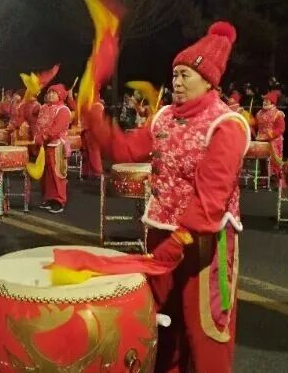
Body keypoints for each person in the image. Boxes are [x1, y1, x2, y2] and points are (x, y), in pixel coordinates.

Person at [85, 21, 249, 373]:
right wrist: (97, 124)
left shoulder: (227, 125)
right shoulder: (164, 117)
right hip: (163, 234)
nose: (176, 81)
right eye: (174, 74)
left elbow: (212, 195)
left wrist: (179, 240)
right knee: (164, 322)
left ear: (208, 80)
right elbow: (128, 149)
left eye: (185, 75)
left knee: (207, 329)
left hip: (204, 243)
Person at [34, 83, 72, 213]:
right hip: (45, 146)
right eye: (49, 92)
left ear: (60, 95)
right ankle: (48, 198)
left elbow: (56, 129)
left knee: (57, 174)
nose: (50, 95)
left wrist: (43, 136)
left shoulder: (63, 110)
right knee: (46, 175)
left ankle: (59, 201)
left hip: (57, 146)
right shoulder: (44, 107)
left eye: (54, 92)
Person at [253, 89, 285, 183]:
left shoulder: (277, 114)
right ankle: (264, 178)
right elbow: (255, 125)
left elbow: (281, 129)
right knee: (262, 161)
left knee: (273, 162)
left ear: (272, 102)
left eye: (266, 100)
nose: (264, 102)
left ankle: (275, 178)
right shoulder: (259, 113)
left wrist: (270, 134)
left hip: (274, 141)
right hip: (261, 141)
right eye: (263, 100)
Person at [81, 92, 104, 179]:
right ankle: (86, 172)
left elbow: (97, 122)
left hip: (93, 132)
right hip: (86, 131)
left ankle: (96, 173)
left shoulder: (97, 106)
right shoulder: (87, 104)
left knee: (94, 152)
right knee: (85, 152)